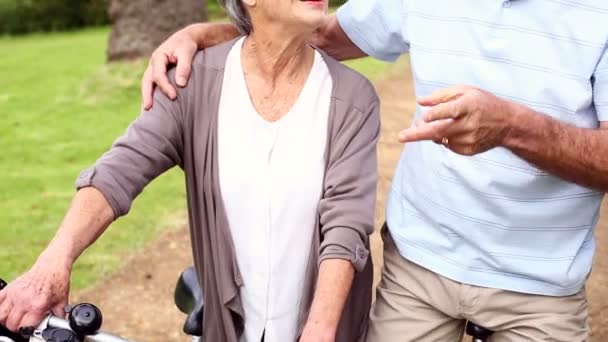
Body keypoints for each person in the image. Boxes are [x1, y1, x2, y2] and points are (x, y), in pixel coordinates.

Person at [140, 0, 608, 341]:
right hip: (419, 269)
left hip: (539, 290)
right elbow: (312, 32)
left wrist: (511, 127)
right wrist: (201, 35)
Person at [0, 0, 381, 341]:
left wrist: (321, 329)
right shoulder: (192, 83)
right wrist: (51, 264)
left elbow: (346, 224)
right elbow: (119, 171)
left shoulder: (353, 99)